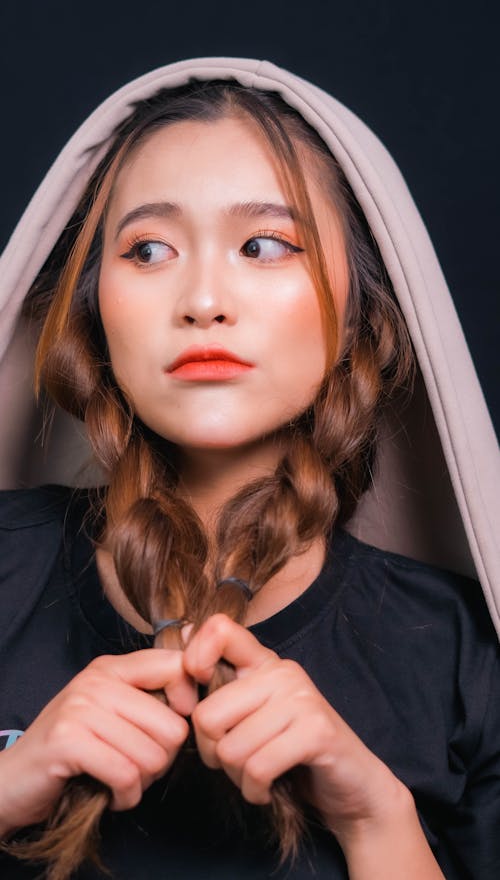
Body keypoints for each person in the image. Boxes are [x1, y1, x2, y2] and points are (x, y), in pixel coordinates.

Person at [0, 58, 498, 880]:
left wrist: (378, 820)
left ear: (360, 309)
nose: (202, 299)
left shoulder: (456, 654)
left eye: (264, 245)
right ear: (93, 312)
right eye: (149, 249)